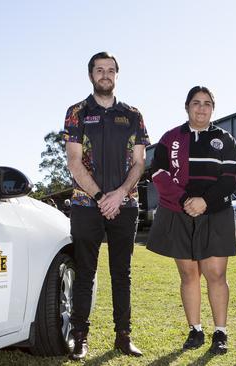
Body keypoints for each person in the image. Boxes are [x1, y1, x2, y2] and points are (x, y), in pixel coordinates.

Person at [63, 51, 150, 360]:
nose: (105, 74)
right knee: (85, 272)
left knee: (121, 273)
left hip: (125, 206)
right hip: (87, 205)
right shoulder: (76, 112)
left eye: (110, 70)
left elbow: (139, 163)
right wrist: (102, 198)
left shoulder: (133, 115)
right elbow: (74, 162)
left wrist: (120, 194)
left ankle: (123, 337)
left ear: (117, 75)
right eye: (99, 70)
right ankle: (80, 338)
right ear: (91, 76)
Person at [147, 86, 236, 355]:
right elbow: (159, 174)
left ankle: (220, 333)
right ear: (187, 106)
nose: (201, 108)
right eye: (196, 103)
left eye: (207, 103)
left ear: (213, 108)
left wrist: (205, 202)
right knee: (189, 274)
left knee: (216, 274)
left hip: (216, 213)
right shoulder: (171, 138)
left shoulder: (226, 139)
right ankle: (195, 330)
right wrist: (187, 199)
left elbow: (230, 178)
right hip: (180, 211)